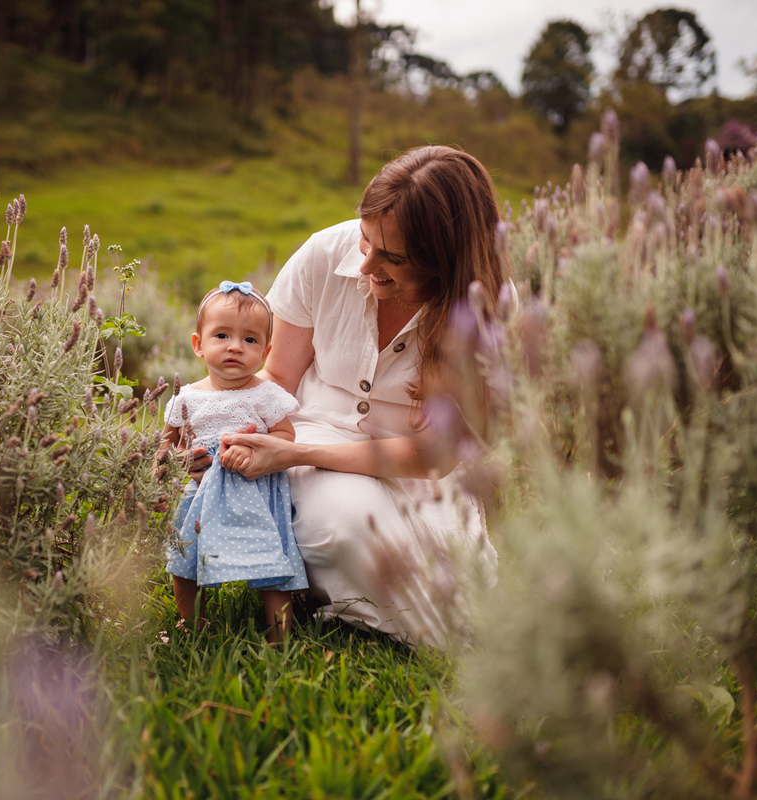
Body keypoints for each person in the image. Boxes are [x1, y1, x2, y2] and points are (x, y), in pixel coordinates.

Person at [194, 146, 503, 647]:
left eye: (394, 259)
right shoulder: (322, 254)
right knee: (339, 526)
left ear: (443, 262)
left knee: (459, 588)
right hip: (310, 430)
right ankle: (355, 599)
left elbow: (432, 457)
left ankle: (352, 597)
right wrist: (227, 435)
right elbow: (277, 378)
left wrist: (296, 454)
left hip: (413, 467)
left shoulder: (479, 309)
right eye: (366, 240)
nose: (367, 266)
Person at [162, 280, 307, 642]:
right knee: (186, 562)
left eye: (250, 340)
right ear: (199, 344)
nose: (235, 347)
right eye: (222, 335)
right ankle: (191, 623)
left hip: (256, 489)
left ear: (266, 352)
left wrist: (259, 446)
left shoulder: (266, 395)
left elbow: (286, 437)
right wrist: (178, 459)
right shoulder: (186, 398)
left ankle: (279, 636)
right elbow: (164, 447)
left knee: (272, 567)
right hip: (200, 492)